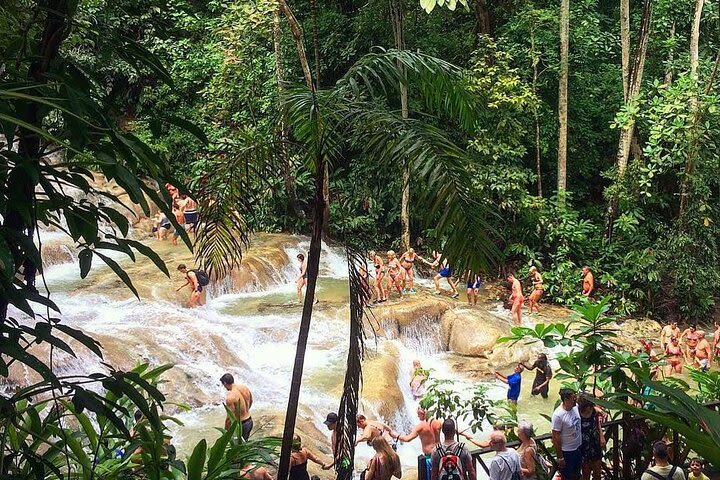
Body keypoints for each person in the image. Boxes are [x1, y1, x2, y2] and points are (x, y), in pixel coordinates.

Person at [398, 407, 442, 480]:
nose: (417, 416)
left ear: (422, 413)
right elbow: (451, 427)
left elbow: (407, 439)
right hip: (440, 454)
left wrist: (396, 436)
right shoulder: (437, 422)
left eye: (418, 414)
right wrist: (466, 434)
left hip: (429, 457)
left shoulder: (420, 426)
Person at [551, 388, 582, 480]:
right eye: (573, 399)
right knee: (568, 476)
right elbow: (555, 436)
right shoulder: (558, 415)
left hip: (578, 447)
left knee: (577, 474)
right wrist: (560, 457)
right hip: (567, 451)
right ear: (566, 399)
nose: (575, 400)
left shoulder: (575, 407)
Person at [577, 393, 605, 480]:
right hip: (583, 444)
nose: (590, 408)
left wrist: (601, 436)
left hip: (594, 442)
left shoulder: (594, 411)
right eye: (588, 406)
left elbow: (597, 423)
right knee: (586, 473)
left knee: (597, 472)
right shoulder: (576, 412)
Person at [220, 373, 253, 440]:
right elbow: (251, 401)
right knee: (245, 445)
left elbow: (229, 417)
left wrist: (226, 432)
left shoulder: (230, 397)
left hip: (242, 426)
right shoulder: (244, 388)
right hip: (250, 421)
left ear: (225, 383)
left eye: (223, 385)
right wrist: (244, 411)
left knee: (238, 449)